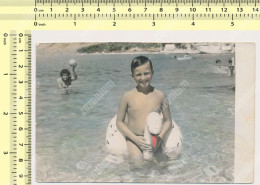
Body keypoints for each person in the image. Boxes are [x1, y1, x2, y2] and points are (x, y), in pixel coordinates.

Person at [116, 56, 172, 160]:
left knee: (162, 163)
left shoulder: (160, 96)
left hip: (155, 138)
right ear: (132, 75)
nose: (143, 78)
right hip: (135, 139)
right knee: (137, 163)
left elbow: (168, 120)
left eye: (146, 73)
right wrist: (135, 139)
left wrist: (159, 139)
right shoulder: (127, 96)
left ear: (153, 71)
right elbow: (119, 122)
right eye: (138, 75)